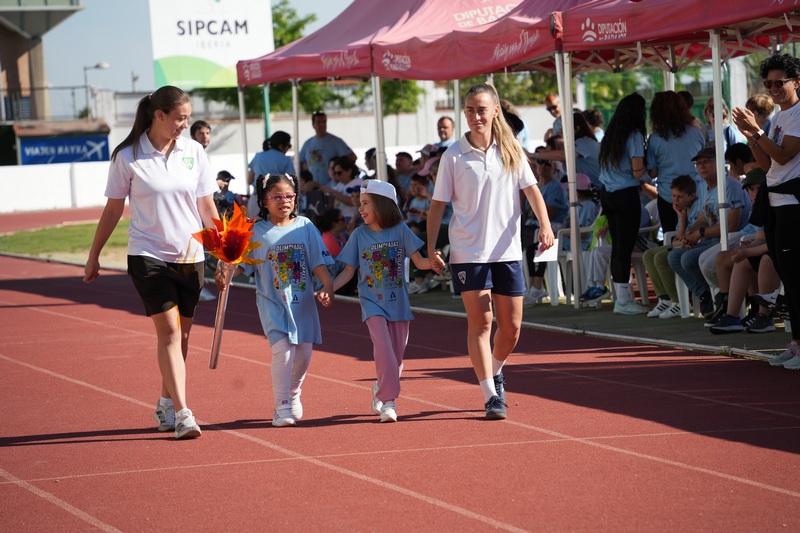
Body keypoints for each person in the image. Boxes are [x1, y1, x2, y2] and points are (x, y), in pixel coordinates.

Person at [83, 86, 218, 439]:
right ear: (159, 115)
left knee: (182, 337)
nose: (185, 125)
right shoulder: (128, 156)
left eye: (188, 118)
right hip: (148, 255)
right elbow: (113, 209)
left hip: (191, 256)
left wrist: (224, 249)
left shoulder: (194, 151)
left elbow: (206, 205)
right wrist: (94, 255)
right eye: (180, 118)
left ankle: (165, 403)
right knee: (169, 333)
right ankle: (184, 414)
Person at [427, 83, 554, 420]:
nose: (475, 116)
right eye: (469, 110)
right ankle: (490, 395)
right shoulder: (453, 155)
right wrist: (431, 247)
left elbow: (532, 191)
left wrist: (545, 225)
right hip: (468, 253)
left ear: (495, 111)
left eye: (481, 110)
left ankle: (495, 370)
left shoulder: (510, 149)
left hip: (507, 250)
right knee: (481, 323)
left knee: (511, 328)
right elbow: (438, 205)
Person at [217, 173, 333, 427]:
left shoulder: (305, 226)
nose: (284, 201)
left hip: (302, 304)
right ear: (264, 201)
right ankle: (281, 407)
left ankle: (293, 391)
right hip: (272, 302)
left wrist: (328, 285)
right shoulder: (255, 232)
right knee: (284, 351)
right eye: (277, 197)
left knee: (303, 354)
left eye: (289, 196)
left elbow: (318, 262)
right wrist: (226, 271)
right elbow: (241, 265)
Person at [332, 179, 440, 423]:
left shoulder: (401, 230)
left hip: (398, 303)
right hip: (372, 302)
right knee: (383, 347)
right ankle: (389, 402)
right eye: (360, 203)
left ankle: (381, 386)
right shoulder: (359, 234)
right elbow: (348, 272)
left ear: (382, 204)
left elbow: (420, 261)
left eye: (365, 203)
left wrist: (433, 263)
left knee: (396, 358)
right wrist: (328, 289)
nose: (360, 208)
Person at [732, 53, 800, 369]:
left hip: (793, 205)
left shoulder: (798, 113)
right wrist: (751, 135)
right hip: (775, 203)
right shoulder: (777, 118)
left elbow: (785, 156)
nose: (772, 89)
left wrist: (756, 132)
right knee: (787, 275)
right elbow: (768, 164)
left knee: (796, 277)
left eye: (779, 83)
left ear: (796, 82)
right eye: (768, 84)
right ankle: (795, 343)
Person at [667, 147, 750, 319]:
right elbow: (703, 218)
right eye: (698, 163)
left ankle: (728, 296)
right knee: (674, 256)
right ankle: (708, 295)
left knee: (688, 259)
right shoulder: (703, 187)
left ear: (718, 163)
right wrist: (690, 234)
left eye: (706, 162)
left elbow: (732, 226)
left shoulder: (729, 185)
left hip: (732, 239)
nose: (702, 166)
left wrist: (700, 233)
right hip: (712, 238)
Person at [597, 93, 649, 314]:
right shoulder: (635, 135)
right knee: (624, 248)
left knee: (617, 247)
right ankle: (624, 302)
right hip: (626, 193)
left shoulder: (610, 135)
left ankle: (622, 298)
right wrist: (650, 171)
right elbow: (637, 171)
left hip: (607, 193)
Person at [646, 90, 707, 232]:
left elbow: (652, 173)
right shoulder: (696, 132)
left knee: (671, 238)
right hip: (695, 194)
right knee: (696, 237)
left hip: (669, 196)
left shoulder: (654, 139)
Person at [643, 175, 701, 319]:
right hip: (681, 244)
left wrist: (680, 239)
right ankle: (664, 299)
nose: (675, 200)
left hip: (694, 245)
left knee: (661, 257)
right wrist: (681, 218)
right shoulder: (683, 211)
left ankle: (677, 301)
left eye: (680, 197)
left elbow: (684, 238)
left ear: (692, 196)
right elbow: (677, 239)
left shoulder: (697, 209)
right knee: (648, 255)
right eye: (674, 196)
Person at [189, 119, 218, 302]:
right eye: (201, 133)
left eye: (207, 133)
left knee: (202, 251)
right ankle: (196, 287)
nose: (205, 137)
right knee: (197, 250)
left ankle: (197, 286)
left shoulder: (203, 154)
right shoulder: (190, 153)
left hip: (203, 209)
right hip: (195, 211)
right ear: (193, 136)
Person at [537, 111, 601, 187]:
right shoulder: (582, 142)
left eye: (565, 128)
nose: (561, 130)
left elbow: (564, 155)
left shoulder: (584, 142)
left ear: (577, 129)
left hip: (597, 187)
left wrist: (535, 155)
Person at [299, 111, 356, 187]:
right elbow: (299, 162)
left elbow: (352, 157)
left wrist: (338, 172)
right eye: (318, 122)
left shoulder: (336, 141)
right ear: (313, 125)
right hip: (313, 186)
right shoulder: (308, 143)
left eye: (324, 122)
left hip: (333, 187)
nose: (322, 125)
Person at [247, 131, 295, 216]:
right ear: (281, 146)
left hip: (256, 199)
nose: (288, 149)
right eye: (289, 146)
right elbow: (292, 182)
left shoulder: (258, 156)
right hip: (277, 201)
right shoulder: (286, 160)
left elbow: (249, 180)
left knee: (254, 224)